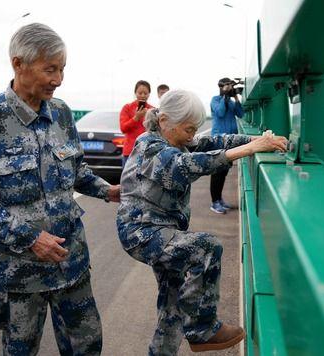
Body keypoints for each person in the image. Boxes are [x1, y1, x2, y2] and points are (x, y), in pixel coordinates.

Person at [0, 23, 120, 355]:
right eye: (50, 69)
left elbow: (76, 169)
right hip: (20, 277)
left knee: (88, 344)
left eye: (62, 69)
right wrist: (31, 239)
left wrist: (108, 191)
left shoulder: (62, 114)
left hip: (72, 265)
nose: (59, 79)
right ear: (18, 64)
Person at [116, 89, 287, 355]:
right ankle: (203, 329)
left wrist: (256, 139)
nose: (192, 136)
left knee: (172, 306)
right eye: (188, 129)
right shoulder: (150, 147)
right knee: (205, 248)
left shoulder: (177, 139)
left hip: (164, 231)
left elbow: (216, 141)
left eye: (195, 129)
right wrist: (250, 150)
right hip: (142, 233)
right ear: (164, 122)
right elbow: (184, 166)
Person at [209, 77, 244, 214]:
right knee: (217, 172)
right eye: (227, 86)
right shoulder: (215, 100)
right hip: (218, 139)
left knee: (224, 172)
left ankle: (220, 199)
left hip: (230, 141)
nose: (229, 88)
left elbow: (241, 114)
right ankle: (214, 202)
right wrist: (224, 96)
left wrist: (235, 97)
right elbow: (220, 112)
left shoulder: (230, 101)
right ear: (221, 87)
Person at [120, 80, 154, 167]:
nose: (142, 95)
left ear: (149, 94)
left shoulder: (152, 110)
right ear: (135, 93)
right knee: (127, 180)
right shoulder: (127, 108)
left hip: (148, 151)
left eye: (145, 93)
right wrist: (136, 117)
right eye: (140, 93)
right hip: (130, 151)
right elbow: (123, 128)